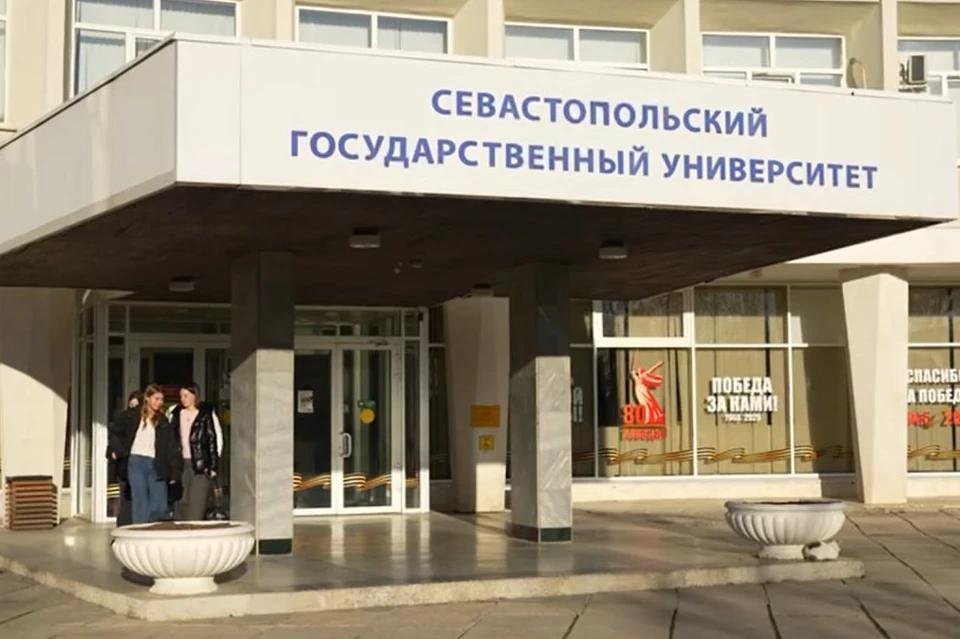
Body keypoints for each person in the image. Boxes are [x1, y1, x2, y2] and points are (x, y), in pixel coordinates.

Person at [108, 384, 182, 524]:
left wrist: (174, 472)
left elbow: (171, 447)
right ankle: (140, 529)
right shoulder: (132, 415)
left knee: (160, 504)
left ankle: (148, 525)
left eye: (161, 399)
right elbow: (114, 431)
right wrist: (119, 451)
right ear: (147, 398)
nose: (159, 402)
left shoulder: (163, 421)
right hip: (136, 462)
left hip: (156, 463)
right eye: (156, 398)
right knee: (140, 500)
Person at [168, 382, 223, 521]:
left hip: (200, 465)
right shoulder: (176, 414)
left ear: (194, 396)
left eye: (186, 395)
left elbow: (212, 439)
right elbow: (172, 440)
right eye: (181, 396)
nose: (183, 399)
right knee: (181, 504)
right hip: (182, 465)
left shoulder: (205, 414)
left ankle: (194, 531)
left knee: (196, 506)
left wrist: (212, 466)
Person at [106, 390, 141, 527]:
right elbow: (114, 436)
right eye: (132, 405)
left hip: (133, 462)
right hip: (125, 463)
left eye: (136, 405)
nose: (134, 409)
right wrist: (118, 451)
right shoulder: (124, 418)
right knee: (125, 497)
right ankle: (125, 524)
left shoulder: (144, 419)